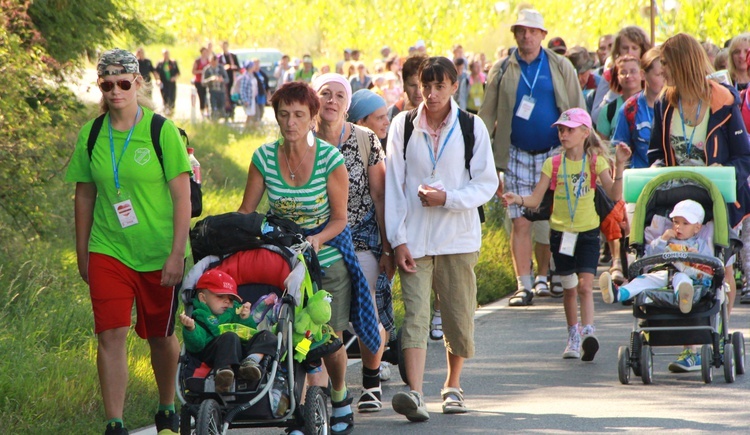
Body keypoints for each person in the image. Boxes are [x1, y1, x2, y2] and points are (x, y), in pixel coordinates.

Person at [238, 81, 380, 435]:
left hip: (326, 256)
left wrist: (316, 240)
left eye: (299, 114)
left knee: (326, 336)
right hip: (283, 258)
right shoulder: (263, 157)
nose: (291, 123)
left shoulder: (330, 159)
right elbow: (246, 212)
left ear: (313, 117)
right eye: (284, 114)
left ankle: (340, 395)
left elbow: (340, 219)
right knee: (290, 336)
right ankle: (304, 411)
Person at [65, 48, 191, 435]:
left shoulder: (160, 131)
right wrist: (83, 252)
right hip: (109, 249)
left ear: (137, 82)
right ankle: (114, 423)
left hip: (158, 251)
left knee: (161, 336)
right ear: (99, 85)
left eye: (123, 83)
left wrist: (175, 254)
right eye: (107, 84)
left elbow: (182, 197)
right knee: (110, 333)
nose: (115, 91)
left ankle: (167, 406)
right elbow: (84, 196)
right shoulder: (91, 134)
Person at [386, 56, 498, 422]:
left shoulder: (471, 126)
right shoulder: (402, 126)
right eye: (425, 86)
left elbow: (486, 183)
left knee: (457, 314)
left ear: (454, 85)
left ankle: (453, 385)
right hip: (414, 238)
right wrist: (397, 239)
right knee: (416, 316)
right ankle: (415, 393)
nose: (430, 94)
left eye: (439, 86)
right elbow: (394, 188)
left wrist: (447, 198)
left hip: (458, 237)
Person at [502, 108, 630, 361]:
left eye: (569, 129)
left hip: (588, 234)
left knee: (585, 285)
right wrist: (516, 198)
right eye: (561, 130)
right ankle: (573, 336)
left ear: (585, 132)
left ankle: (588, 332)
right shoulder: (553, 164)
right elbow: (537, 199)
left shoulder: (596, 162)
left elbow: (614, 195)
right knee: (569, 289)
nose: (563, 134)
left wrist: (621, 166)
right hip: (561, 236)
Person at [647, 32, 750, 347]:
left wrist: (725, 171)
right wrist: (654, 170)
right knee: (682, 263)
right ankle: (691, 343)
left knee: (720, 266)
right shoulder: (666, 102)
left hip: (717, 195)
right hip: (677, 197)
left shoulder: (723, 100)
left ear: (682, 63)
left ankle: (716, 335)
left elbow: (744, 155)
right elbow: (655, 152)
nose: (661, 71)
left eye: (666, 64)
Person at [479, 8, 585, 305]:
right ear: (514, 34)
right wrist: (483, 156)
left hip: (555, 151)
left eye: (531, 31)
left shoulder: (560, 66)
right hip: (514, 153)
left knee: (552, 219)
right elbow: (486, 115)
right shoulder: (501, 68)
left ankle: (543, 276)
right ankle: (523, 285)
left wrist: (580, 149)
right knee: (521, 220)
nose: (526, 35)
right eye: (520, 31)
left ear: (542, 35)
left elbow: (577, 109)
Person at [312, 75, 394, 414]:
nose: (331, 101)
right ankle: (323, 388)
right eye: (325, 94)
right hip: (318, 237)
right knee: (318, 313)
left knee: (365, 309)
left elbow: (380, 196)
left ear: (348, 105)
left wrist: (388, 247)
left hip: (361, 237)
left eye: (339, 96)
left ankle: (371, 381)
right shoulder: (303, 140)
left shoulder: (366, 139)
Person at [600, 200, 711, 314]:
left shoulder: (700, 244)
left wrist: (697, 257)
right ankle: (618, 293)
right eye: (675, 222)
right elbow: (650, 255)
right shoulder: (666, 240)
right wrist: (662, 239)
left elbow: (710, 266)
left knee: (683, 280)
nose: (678, 227)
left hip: (685, 274)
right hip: (661, 271)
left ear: (697, 228)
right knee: (642, 281)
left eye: (685, 223)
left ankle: (684, 298)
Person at [178, 269, 277, 393]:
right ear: (203, 298)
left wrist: (245, 319)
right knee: (229, 336)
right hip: (213, 351)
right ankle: (224, 373)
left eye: (230, 298)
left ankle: (251, 362)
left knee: (267, 336)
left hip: (240, 351)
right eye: (220, 296)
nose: (227, 301)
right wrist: (191, 329)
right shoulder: (201, 315)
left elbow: (250, 333)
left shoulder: (235, 311)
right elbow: (196, 345)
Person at [612, 47, 664, 169]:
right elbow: (619, 154)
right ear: (643, 75)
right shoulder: (630, 109)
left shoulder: (676, 105)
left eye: (667, 73)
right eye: (659, 74)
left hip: (670, 177)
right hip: (641, 177)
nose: (665, 79)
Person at [591, 26, 651, 126]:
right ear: (618, 50)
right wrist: (613, 93)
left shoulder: (650, 73)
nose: (629, 52)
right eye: (625, 48)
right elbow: (596, 117)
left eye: (634, 48)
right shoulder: (610, 75)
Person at [596, 54, 643, 139]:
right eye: (623, 72)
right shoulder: (608, 111)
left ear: (642, 74)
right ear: (617, 77)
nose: (628, 76)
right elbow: (602, 146)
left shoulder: (653, 104)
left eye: (633, 71)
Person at [386, 55, 427, 122]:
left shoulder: (442, 112)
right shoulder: (393, 111)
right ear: (404, 86)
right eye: (412, 85)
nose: (418, 92)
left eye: (423, 86)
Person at [566, 46, 600, 113]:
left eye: (582, 73)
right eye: (574, 74)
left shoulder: (599, 84)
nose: (579, 78)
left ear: (589, 70)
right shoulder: (561, 86)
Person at [202, 55, 228, 120]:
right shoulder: (207, 69)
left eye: (216, 61)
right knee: (213, 108)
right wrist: (211, 79)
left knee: (221, 108)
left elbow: (227, 79)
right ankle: (213, 121)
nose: (215, 63)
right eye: (213, 61)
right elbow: (203, 82)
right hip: (212, 91)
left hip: (221, 91)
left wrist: (222, 80)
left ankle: (221, 121)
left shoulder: (221, 68)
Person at [155, 49, 180, 115]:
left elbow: (177, 72)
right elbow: (156, 72)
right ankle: (166, 109)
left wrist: (174, 78)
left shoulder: (173, 63)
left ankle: (171, 110)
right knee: (165, 96)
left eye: (167, 54)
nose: (166, 55)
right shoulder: (160, 63)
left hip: (171, 83)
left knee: (172, 96)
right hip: (163, 82)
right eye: (165, 54)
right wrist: (158, 80)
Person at [218, 41, 240, 114]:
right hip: (224, 78)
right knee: (225, 94)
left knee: (232, 93)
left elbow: (238, 67)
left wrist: (231, 67)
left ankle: (232, 110)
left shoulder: (232, 56)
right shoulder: (220, 57)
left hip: (232, 77)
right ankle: (225, 110)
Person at [192, 47, 211, 118]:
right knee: (201, 97)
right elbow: (193, 71)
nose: (205, 54)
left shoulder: (208, 61)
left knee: (207, 97)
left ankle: (208, 111)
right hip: (199, 82)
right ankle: (202, 112)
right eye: (204, 52)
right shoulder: (198, 61)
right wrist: (201, 72)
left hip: (207, 82)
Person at [239, 61, 258, 131]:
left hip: (252, 99)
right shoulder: (245, 76)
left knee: (252, 114)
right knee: (249, 115)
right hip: (248, 99)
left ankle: (251, 129)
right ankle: (245, 129)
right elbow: (242, 90)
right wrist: (245, 100)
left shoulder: (252, 75)